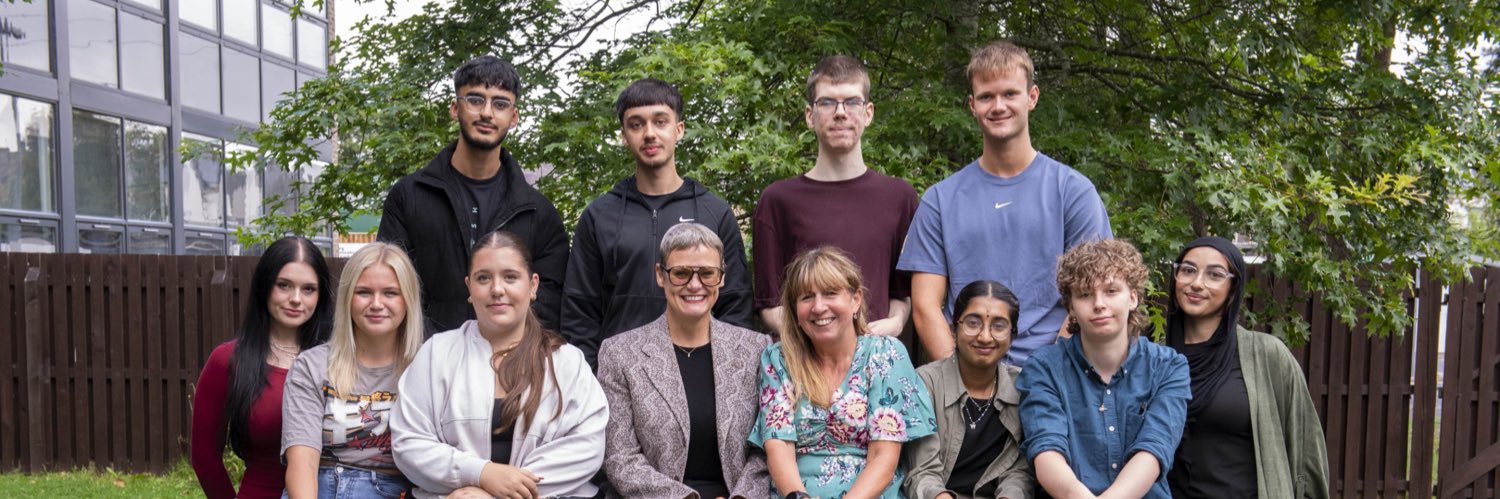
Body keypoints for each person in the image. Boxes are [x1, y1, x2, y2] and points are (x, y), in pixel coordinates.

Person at [898, 40, 1112, 365]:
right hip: (967, 380)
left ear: (1032, 97)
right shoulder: (940, 201)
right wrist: (963, 383)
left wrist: (1050, 378)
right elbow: (926, 307)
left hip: (1056, 379)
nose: (998, 106)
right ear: (972, 105)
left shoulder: (1073, 192)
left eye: (1010, 93)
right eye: (986, 96)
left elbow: (1091, 293)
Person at [392, 230, 608, 498]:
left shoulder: (567, 362)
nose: (497, 289)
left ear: (533, 286)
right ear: (469, 288)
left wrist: (501, 493)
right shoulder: (436, 354)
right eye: (483, 278)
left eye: (510, 277)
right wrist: (480, 473)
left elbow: (587, 446)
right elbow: (408, 443)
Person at [564, 78, 754, 368]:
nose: (649, 134)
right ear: (624, 135)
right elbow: (580, 313)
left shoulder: (713, 211)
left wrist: (728, 372)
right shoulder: (600, 216)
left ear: (679, 129)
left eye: (660, 121)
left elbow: (736, 306)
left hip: (700, 370)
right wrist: (589, 381)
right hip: (618, 375)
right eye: (636, 124)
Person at [379, 55, 569, 334]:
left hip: (511, 366)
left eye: (500, 103)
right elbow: (389, 284)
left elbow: (549, 302)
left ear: (513, 117)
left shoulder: (537, 212)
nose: (487, 113)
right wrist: (440, 352)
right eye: (475, 100)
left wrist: (506, 351)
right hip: (426, 361)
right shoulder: (409, 197)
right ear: (456, 108)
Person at [598, 223, 771, 498]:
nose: (694, 284)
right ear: (660, 275)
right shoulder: (620, 354)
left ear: (722, 277)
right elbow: (620, 458)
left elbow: (767, 448)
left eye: (706, 273)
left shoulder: (755, 350)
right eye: (680, 273)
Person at [752, 55, 918, 338]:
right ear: (809, 115)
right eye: (827, 102)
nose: (840, 112)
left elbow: (903, 293)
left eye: (852, 102)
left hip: (874, 363)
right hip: (803, 369)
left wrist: (896, 322)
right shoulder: (778, 201)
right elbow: (769, 305)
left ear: (868, 113)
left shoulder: (899, 198)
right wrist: (820, 339)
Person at [749, 247, 936, 498]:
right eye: (806, 297)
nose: (818, 307)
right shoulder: (779, 359)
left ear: (855, 299)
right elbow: (779, 446)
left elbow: (883, 458)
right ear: (794, 309)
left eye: (830, 293)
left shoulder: (885, 354)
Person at [1016, 240, 1189, 498]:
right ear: (1071, 307)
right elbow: (1046, 452)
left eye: (1111, 291)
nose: (1099, 304)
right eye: (1085, 294)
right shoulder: (1044, 368)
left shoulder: (1169, 367)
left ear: (1132, 298)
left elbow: (1154, 449)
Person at [1163, 236, 1329, 498]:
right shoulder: (1155, 359)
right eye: (1188, 270)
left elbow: (1306, 450)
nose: (1197, 283)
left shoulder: (1267, 355)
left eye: (1214, 274)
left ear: (1234, 287)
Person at [191, 236, 333, 499]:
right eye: (284, 285)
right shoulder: (227, 361)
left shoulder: (339, 360)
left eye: (308, 289)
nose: (296, 299)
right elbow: (205, 457)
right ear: (264, 286)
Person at [281, 243, 426, 498]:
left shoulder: (428, 367)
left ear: (408, 300)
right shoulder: (311, 366)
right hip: (320, 487)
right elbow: (302, 464)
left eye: (390, 293)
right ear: (348, 298)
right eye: (364, 292)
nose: (377, 303)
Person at [904, 280, 1034, 499]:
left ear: (1012, 336)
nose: (984, 336)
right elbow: (921, 472)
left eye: (999, 326)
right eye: (973, 323)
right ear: (954, 328)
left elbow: (1020, 472)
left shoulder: (1023, 388)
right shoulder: (925, 383)